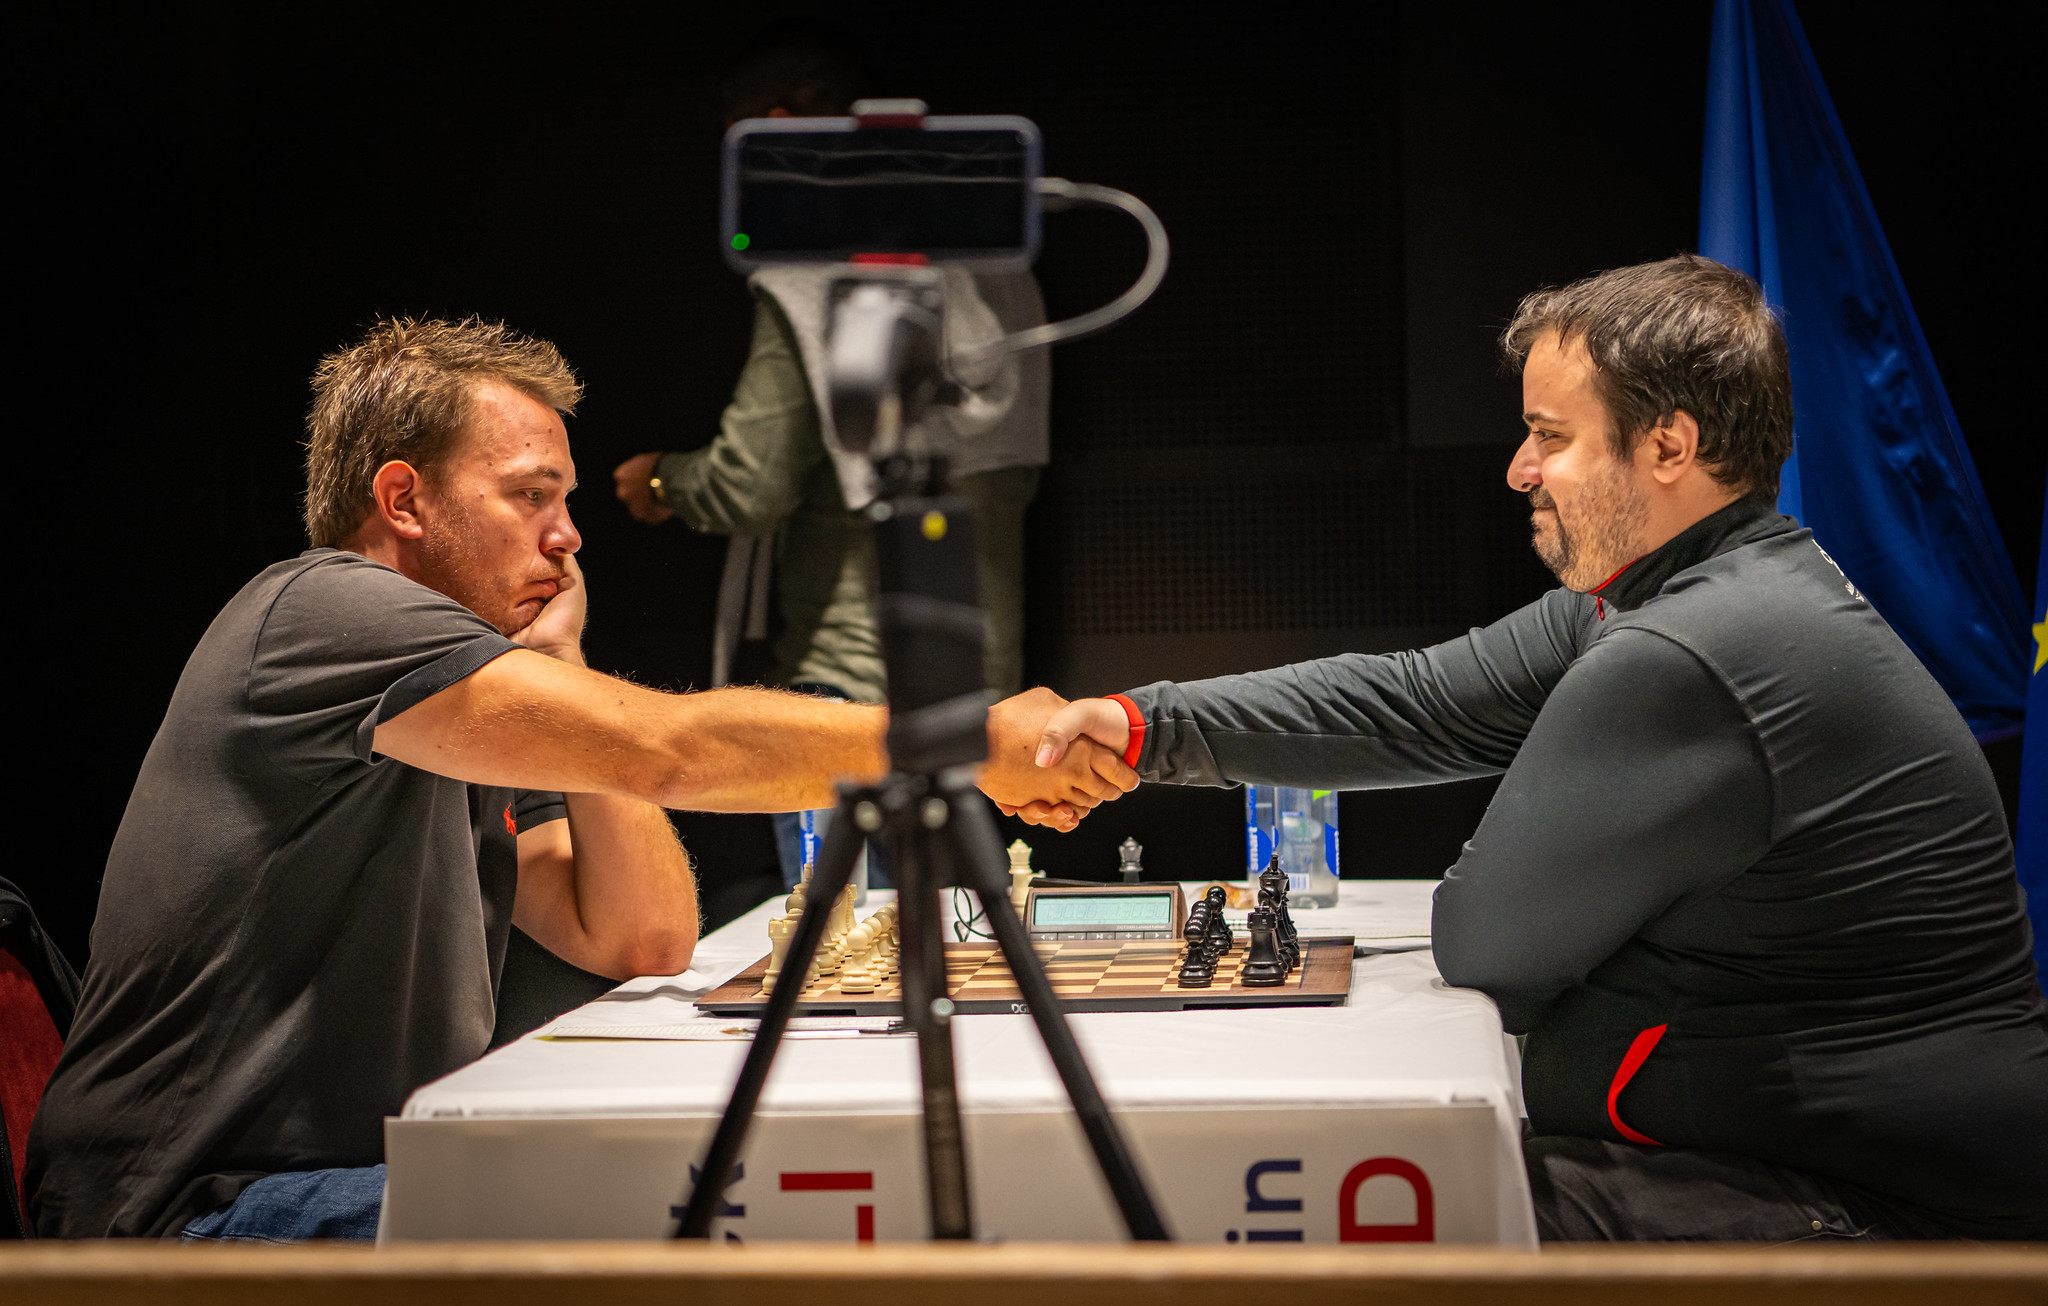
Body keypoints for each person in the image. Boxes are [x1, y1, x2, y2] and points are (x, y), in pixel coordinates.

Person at [1015, 256, 2048, 1242]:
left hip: (1888, 1210)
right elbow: (1415, 701)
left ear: (1668, 446)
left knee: (1399, 1221)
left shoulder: (1692, 649)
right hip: (1814, 1161)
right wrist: (1139, 727)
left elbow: (1486, 944)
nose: (1518, 470)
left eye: (1549, 436)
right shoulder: (1693, 593)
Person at [26, 317, 1125, 1240]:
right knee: (696, 1221)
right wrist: (967, 740)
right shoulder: (325, 612)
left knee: (715, 1207)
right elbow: (673, 749)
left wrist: (561, 663)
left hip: (350, 1177)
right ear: (402, 500)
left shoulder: (460, 698)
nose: (568, 537)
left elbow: (638, 937)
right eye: (529, 495)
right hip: (192, 1213)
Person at [612, 29, 1050, 888]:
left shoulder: (813, 279)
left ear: (779, 133)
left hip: (846, 690)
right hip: (975, 689)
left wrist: (664, 478)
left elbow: (750, 482)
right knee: (951, 949)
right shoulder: (1000, 272)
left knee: (839, 958)